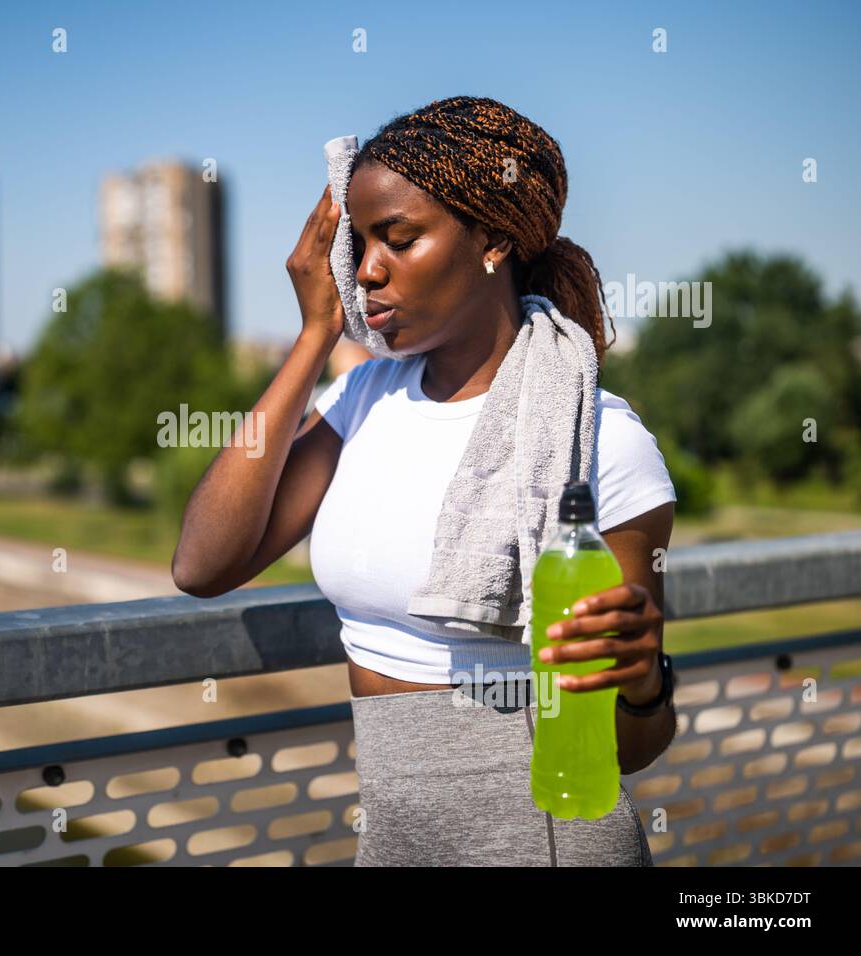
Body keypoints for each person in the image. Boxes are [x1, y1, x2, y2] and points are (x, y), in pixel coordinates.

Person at [171, 96, 676, 865]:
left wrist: (642, 681)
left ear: (495, 240)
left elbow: (631, 748)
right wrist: (316, 337)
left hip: (548, 842)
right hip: (397, 842)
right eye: (359, 241)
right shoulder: (362, 400)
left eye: (398, 238)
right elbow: (204, 564)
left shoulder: (599, 440)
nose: (368, 268)